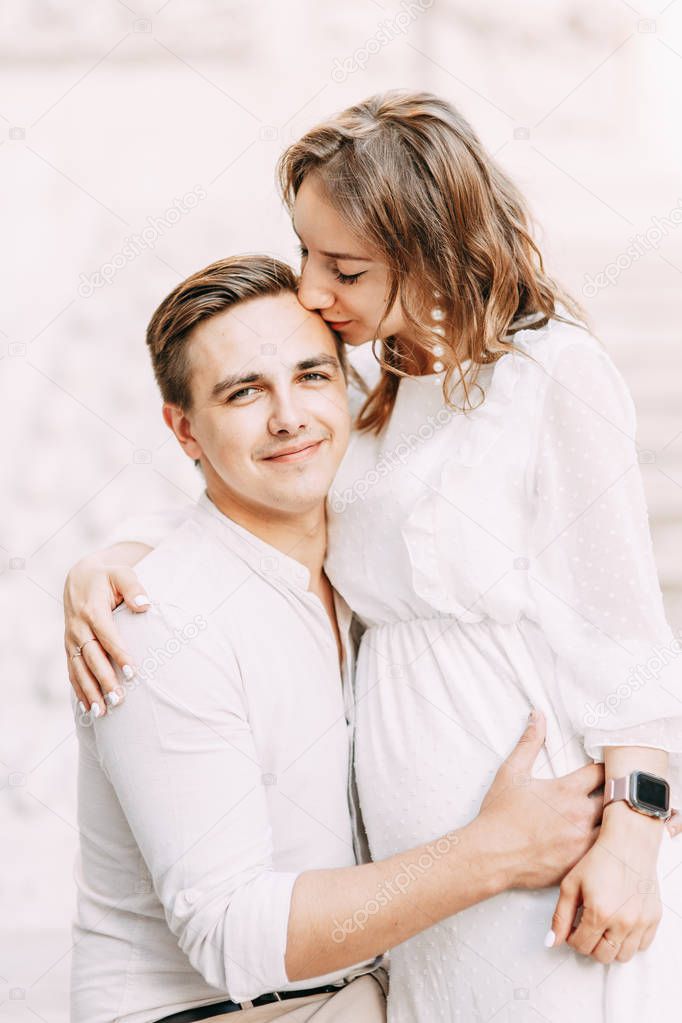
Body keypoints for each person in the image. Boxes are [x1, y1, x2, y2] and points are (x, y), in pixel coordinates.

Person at [66, 93, 682, 1021]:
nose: (311, 289)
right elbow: (263, 488)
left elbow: (625, 628)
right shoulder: (375, 390)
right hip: (421, 905)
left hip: (539, 856)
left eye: (343, 268)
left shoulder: (549, 374)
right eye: (306, 253)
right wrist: (116, 559)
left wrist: (635, 836)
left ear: (433, 251)